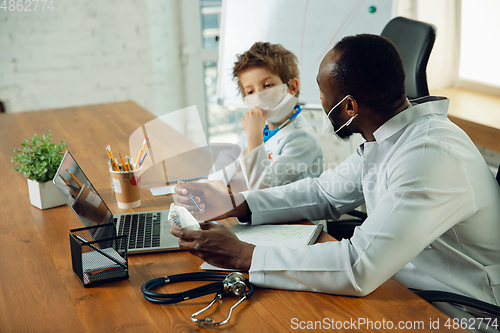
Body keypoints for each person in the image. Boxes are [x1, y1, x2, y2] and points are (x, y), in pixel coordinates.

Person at [171, 34, 500, 315]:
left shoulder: (426, 158)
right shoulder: (389, 136)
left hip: (458, 309)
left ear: (349, 107)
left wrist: (244, 254)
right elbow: (324, 194)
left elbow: (358, 267)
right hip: (401, 280)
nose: (320, 100)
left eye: (322, 90)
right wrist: (236, 203)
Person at [208, 42, 323, 190]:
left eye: (267, 85)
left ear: (292, 87)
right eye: (250, 92)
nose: (258, 97)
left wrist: (254, 136)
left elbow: (262, 188)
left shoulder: (303, 140)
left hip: (292, 213)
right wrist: (216, 184)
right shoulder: (260, 130)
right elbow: (225, 164)